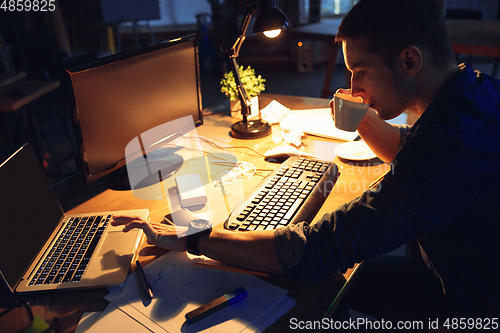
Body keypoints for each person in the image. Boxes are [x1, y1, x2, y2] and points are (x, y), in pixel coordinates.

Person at [112, 0, 500, 326]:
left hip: (467, 305)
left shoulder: (448, 148)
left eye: (360, 72)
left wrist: (195, 236)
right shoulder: (471, 92)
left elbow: (318, 248)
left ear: (410, 61)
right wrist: (365, 117)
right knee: (335, 280)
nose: (353, 88)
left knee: (315, 285)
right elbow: (411, 148)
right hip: (450, 273)